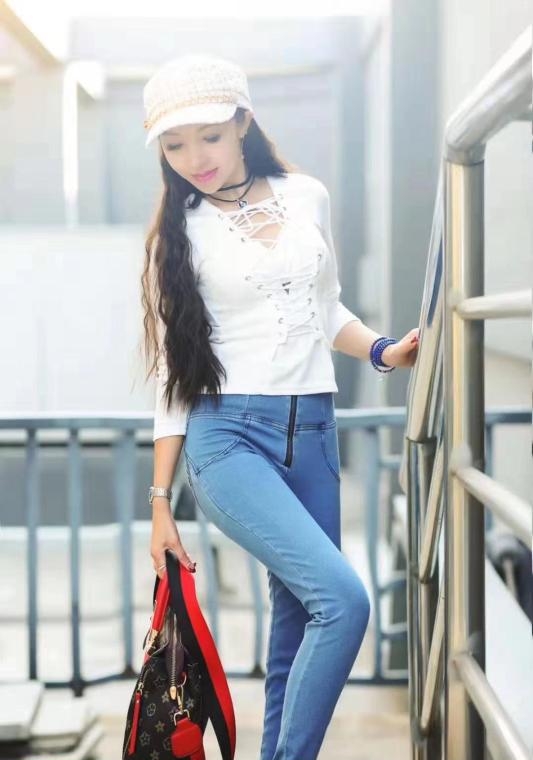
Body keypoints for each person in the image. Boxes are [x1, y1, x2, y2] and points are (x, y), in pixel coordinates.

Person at [141, 53, 419, 760]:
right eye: (175, 146)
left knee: (297, 623)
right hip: (227, 438)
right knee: (343, 601)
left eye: (209, 136)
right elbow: (172, 371)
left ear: (243, 122)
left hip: (314, 432)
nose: (195, 159)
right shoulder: (178, 231)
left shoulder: (306, 196)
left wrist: (383, 350)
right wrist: (161, 503)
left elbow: (326, 311)